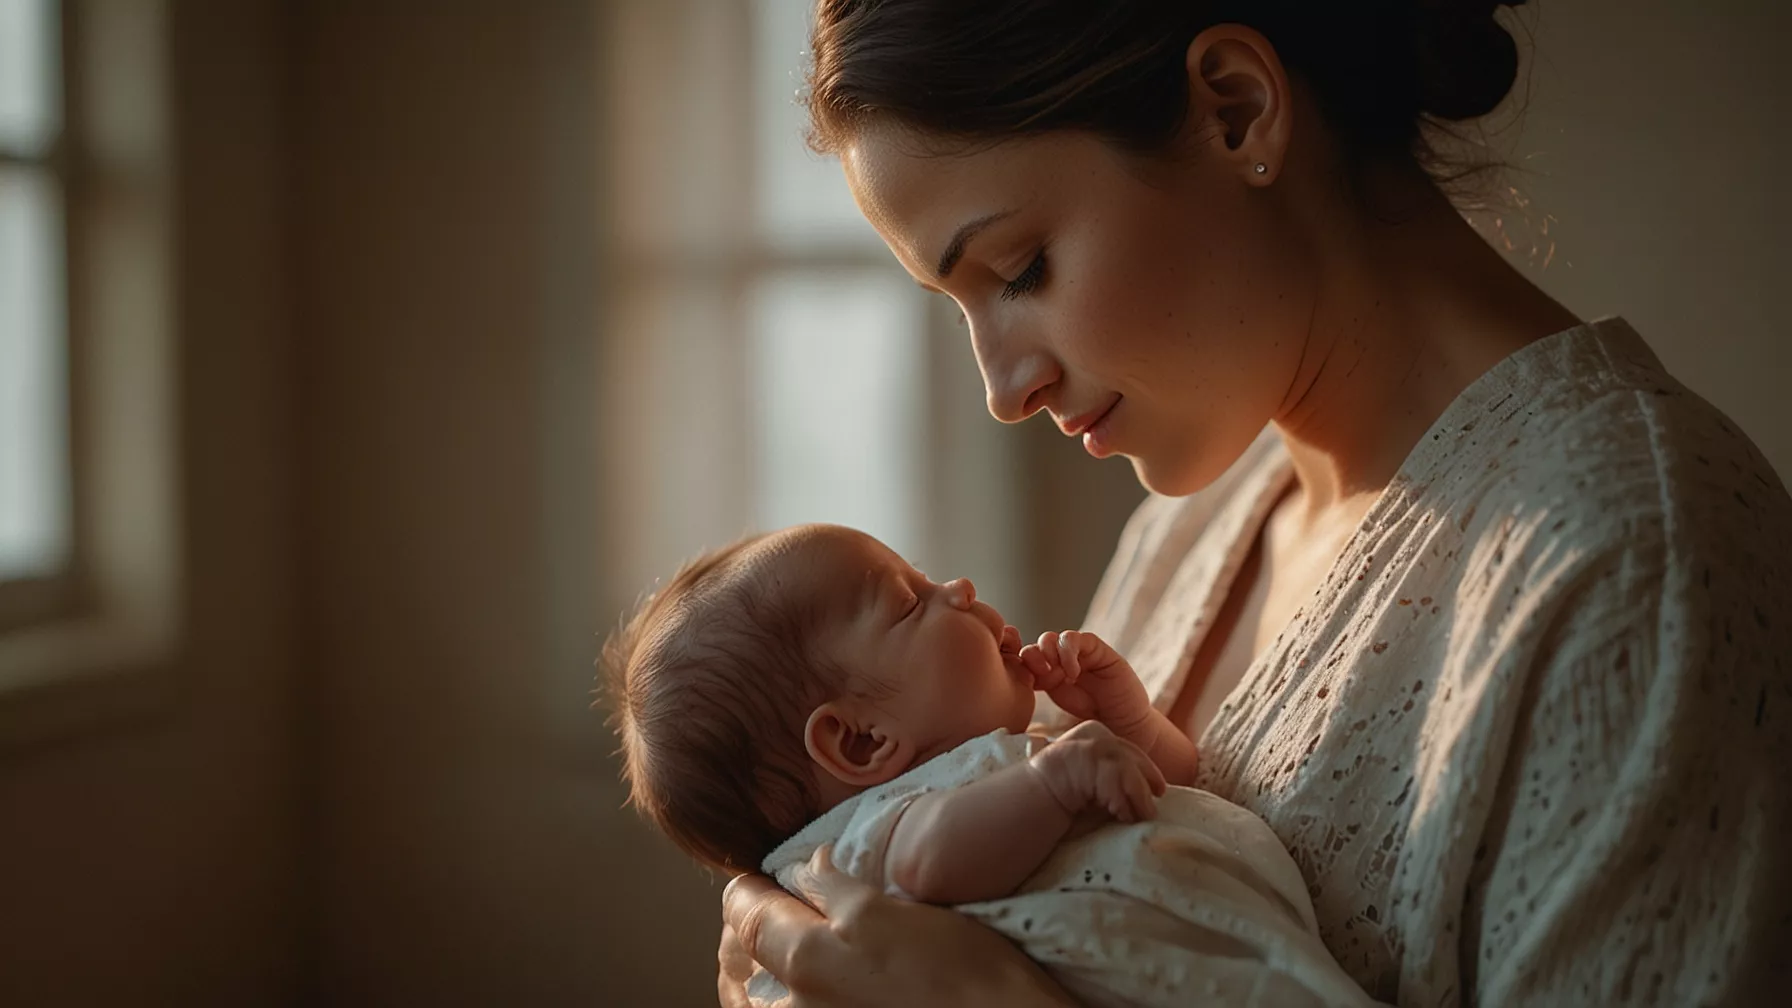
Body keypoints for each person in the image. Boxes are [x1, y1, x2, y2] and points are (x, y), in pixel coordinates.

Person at [715, 0, 1792, 1005]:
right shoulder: (1191, 531)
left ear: (1235, 109)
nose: (1003, 391)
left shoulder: (1632, 567)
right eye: (958, 305)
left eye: (1021, 268)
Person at [605, 523, 1372, 1006]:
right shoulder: (865, 842)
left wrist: (1130, 726)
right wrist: (1053, 779)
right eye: (909, 603)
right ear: (861, 743)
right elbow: (931, 862)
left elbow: (1174, 794)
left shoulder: (1001, 769)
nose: (957, 588)